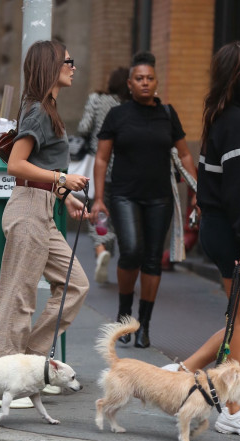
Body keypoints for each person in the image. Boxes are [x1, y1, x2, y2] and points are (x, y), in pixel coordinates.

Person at [163, 41, 240, 438]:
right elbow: (237, 192)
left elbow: (231, 186)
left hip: (231, 229)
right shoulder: (237, 123)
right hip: (231, 233)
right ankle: (234, 408)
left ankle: (183, 372)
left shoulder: (227, 115)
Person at [0, 40, 90, 366]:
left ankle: (29, 363)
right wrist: (62, 180)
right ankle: (3, 377)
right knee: (18, 296)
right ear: (50, 66)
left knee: (76, 285)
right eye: (67, 61)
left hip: (42, 208)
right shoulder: (37, 111)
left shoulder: (46, 110)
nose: (73, 67)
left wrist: (66, 196)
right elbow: (16, 165)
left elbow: (41, 165)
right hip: (29, 208)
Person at [91, 51, 197, 348]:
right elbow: (101, 159)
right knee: (132, 251)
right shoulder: (118, 115)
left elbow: (185, 153)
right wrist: (99, 199)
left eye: (150, 78)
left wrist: (197, 190)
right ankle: (125, 316)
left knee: (152, 260)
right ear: (129, 83)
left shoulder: (167, 114)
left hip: (160, 198)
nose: (145, 83)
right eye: (139, 79)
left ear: (156, 82)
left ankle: (144, 325)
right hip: (124, 195)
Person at [77, 67, 130, 283]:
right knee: (119, 213)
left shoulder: (97, 100)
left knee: (97, 211)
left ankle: (101, 248)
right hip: (124, 169)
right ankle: (111, 251)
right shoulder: (130, 105)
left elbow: (84, 127)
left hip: (99, 166)